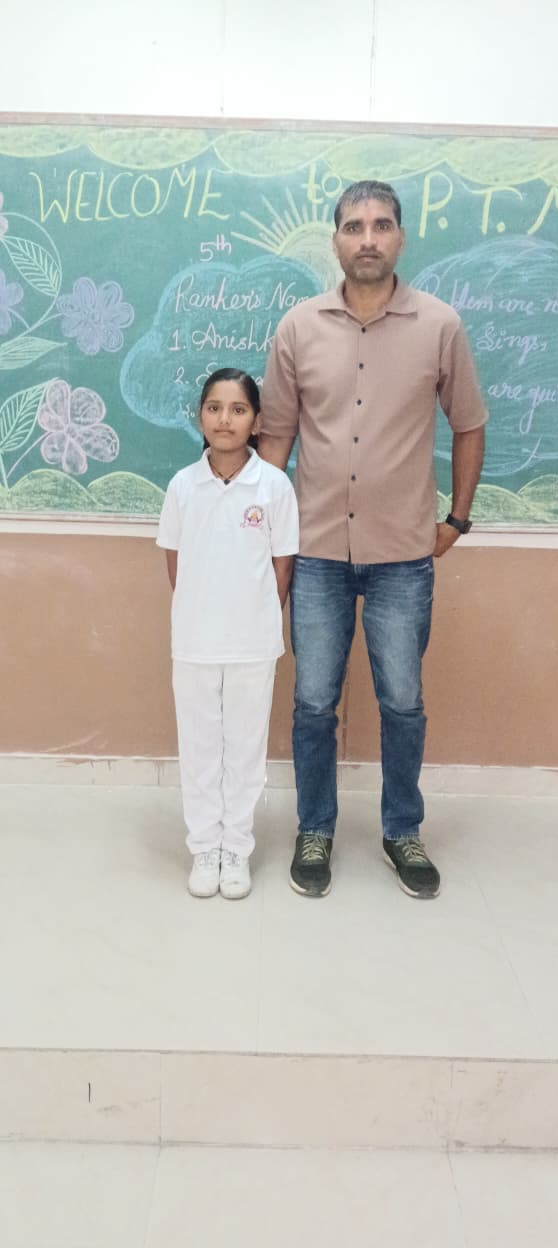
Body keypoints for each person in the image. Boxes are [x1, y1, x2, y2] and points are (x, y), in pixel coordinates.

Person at [259, 180, 486, 901]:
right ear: (335, 239)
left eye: (380, 225)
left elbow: (469, 423)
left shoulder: (439, 325)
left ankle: (401, 831)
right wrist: (260, 534)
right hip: (317, 549)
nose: (367, 238)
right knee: (312, 703)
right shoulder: (298, 327)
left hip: (402, 557)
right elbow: (275, 437)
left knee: (402, 703)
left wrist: (456, 520)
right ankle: (315, 829)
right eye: (353, 226)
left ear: (399, 237)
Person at [157, 368, 299, 900]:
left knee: (244, 747)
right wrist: (203, 612)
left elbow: (282, 566)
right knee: (199, 747)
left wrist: (254, 617)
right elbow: (176, 564)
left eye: (238, 409)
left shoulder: (274, 486)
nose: (225, 419)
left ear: (256, 422)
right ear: (200, 417)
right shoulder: (182, 486)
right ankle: (204, 847)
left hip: (252, 643)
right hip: (194, 641)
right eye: (214, 408)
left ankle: (236, 846)